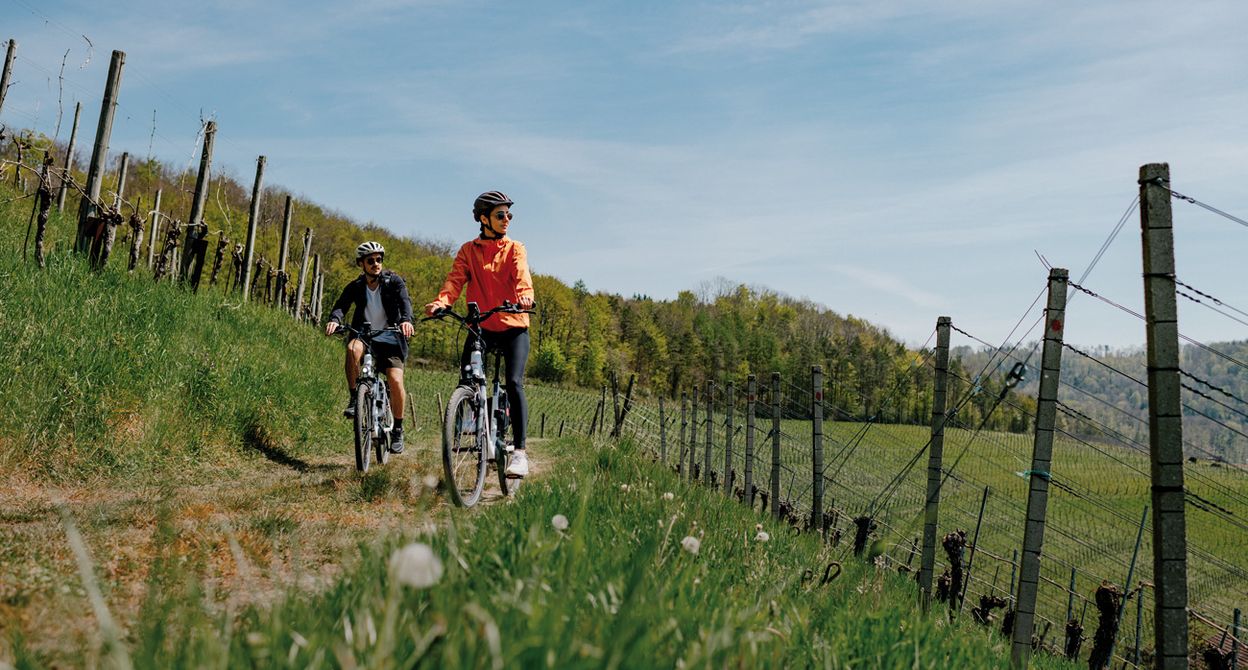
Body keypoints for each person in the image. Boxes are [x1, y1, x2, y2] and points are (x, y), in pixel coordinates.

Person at [425, 191, 535, 477]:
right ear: (484, 218)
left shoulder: (515, 248)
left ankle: (520, 452)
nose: (507, 219)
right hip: (481, 326)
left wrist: (525, 297)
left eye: (509, 215)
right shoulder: (468, 251)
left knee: (513, 382)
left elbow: (522, 276)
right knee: (467, 377)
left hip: (514, 326)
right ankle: (470, 421)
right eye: (501, 215)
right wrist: (442, 302)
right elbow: (454, 281)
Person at [325, 241, 415, 454]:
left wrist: (406, 320)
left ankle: (398, 430)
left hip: (392, 339)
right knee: (351, 349)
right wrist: (335, 319)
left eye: (379, 259)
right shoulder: (356, 287)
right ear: (361, 264)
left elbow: (405, 303)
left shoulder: (394, 282)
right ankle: (355, 397)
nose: (376, 263)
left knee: (394, 380)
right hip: (365, 337)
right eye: (371, 260)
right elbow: (341, 306)